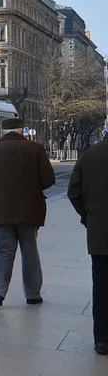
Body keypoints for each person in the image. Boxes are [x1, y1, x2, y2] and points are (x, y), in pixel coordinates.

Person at [0, 116, 56, 308]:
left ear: (3, 131)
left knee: (2, 251)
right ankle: (33, 294)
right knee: (30, 252)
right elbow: (49, 179)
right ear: (22, 130)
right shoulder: (36, 149)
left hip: (1, 210)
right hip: (30, 210)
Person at [68, 138, 108, 355]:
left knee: (101, 286)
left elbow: (73, 192)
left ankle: (102, 339)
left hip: (100, 230)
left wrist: (88, 215)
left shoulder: (91, 154)